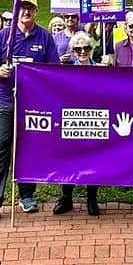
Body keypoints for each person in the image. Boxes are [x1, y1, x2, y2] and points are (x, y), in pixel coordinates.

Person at [0, 0, 60, 226]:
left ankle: (27, 194)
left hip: (32, 103)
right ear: (15, 11)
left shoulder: (44, 38)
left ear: (35, 12)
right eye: (21, 8)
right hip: (5, 100)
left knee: (28, 148)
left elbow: (53, 71)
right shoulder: (4, 36)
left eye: (29, 8)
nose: (25, 12)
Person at [53, 32, 101, 216]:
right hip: (72, 119)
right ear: (72, 51)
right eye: (78, 49)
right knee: (69, 158)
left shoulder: (100, 70)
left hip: (95, 120)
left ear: (91, 49)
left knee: (94, 159)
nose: (82, 51)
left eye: (86, 48)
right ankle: (66, 197)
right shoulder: (65, 70)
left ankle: (92, 198)